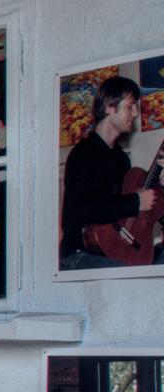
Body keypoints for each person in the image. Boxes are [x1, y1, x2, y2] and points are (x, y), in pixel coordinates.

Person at [61, 76, 163, 270]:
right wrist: (135, 201)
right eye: (130, 106)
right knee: (125, 275)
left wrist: (160, 187)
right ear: (109, 106)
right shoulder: (83, 154)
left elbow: (130, 216)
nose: (135, 113)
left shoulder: (120, 158)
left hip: (114, 248)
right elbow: (84, 209)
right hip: (80, 253)